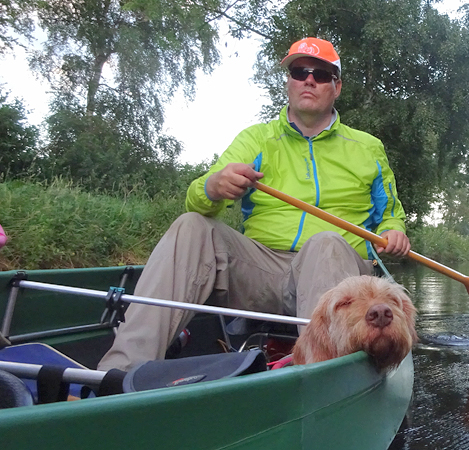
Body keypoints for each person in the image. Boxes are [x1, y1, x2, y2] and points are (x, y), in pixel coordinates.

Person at [98, 37, 409, 371]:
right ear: (289, 82)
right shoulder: (256, 139)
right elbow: (198, 199)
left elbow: (390, 213)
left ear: (337, 87)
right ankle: (118, 374)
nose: (308, 80)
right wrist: (213, 187)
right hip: (263, 268)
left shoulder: (368, 148)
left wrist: (394, 230)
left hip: (338, 269)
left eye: (320, 75)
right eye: (299, 72)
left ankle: (324, 376)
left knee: (325, 243)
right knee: (191, 226)